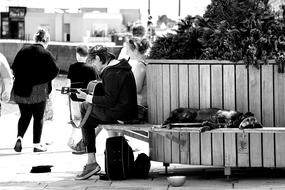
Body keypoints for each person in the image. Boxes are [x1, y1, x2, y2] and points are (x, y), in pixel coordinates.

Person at [75, 45, 138, 180]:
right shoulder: (120, 67)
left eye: (93, 63)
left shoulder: (111, 72)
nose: (94, 68)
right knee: (88, 116)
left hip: (120, 113)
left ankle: (91, 162)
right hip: (127, 111)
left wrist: (86, 97)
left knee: (84, 108)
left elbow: (109, 100)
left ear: (98, 58)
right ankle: (91, 161)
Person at [11, 28, 59, 152]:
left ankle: (19, 138)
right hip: (39, 91)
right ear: (46, 40)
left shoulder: (23, 50)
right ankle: (37, 145)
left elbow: (14, 69)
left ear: (35, 39)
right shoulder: (46, 54)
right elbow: (55, 71)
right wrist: (43, 79)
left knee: (24, 116)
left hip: (21, 89)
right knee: (38, 117)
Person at [66, 44, 99, 152]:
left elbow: (68, 83)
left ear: (77, 55)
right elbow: (96, 84)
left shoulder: (72, 67)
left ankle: (71, 139)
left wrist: (67, 98)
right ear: (88, 55)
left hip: (74, 97)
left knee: (77, 119)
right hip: (87, 99)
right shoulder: (92, 68)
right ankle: (83, 141)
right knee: (86, 120)